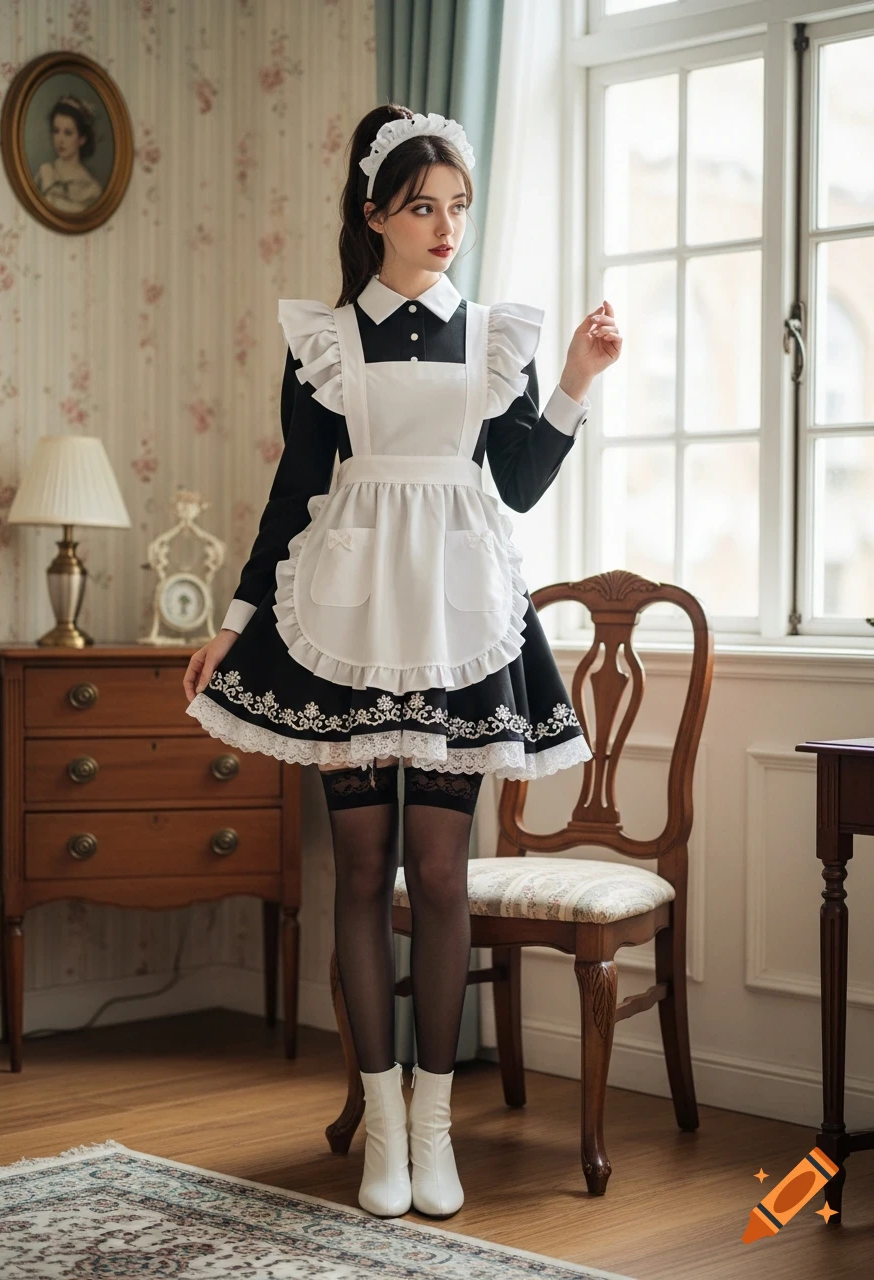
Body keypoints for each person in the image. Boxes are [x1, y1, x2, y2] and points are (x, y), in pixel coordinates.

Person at [183, 104, 622, 1220]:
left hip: (459, 615)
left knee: (437, 873)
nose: (443, 227)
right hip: (346, 612)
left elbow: (515, 482)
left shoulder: (496, 338)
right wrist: (235, 619)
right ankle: (380, 1123)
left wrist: (572, 378)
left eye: (457, 208)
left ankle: (434, 1125)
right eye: (422, 206)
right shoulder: (325, 339)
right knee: (360, 866)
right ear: (374, 212)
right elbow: (295, 494)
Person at [33, 95, 103, 213]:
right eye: (56, 131)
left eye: (68, 133)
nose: (60, 140)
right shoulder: (45, 171)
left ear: (81, 139)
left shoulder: (91, 188)